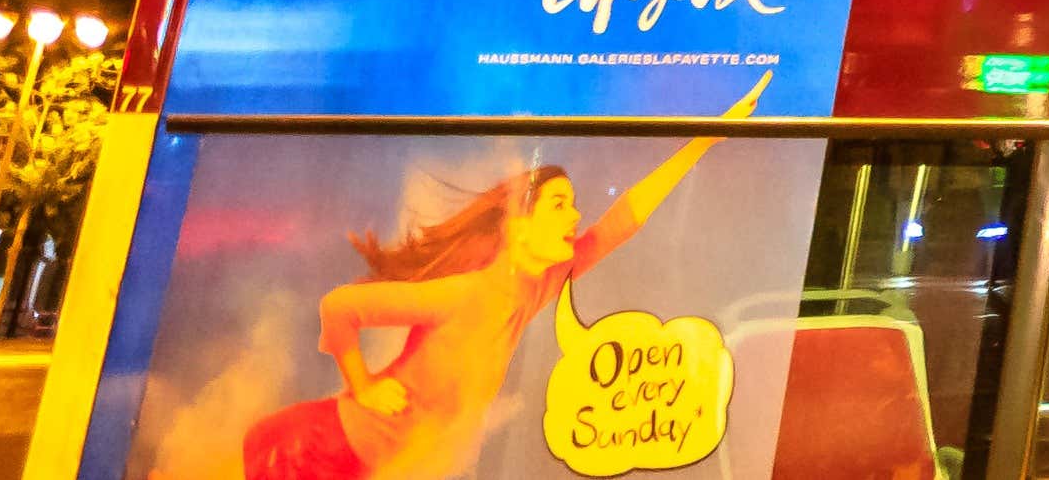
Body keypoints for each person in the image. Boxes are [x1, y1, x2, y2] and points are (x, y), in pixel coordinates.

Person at [239, 124, 741, 480]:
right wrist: (364, 387)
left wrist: (699, 142)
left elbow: (619, 224)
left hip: (374, 465)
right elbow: (341, 306)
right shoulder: (466, 295)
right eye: (560, 204)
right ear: (518, 226)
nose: (577, 215)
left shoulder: (540, 284)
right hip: (317, 452)